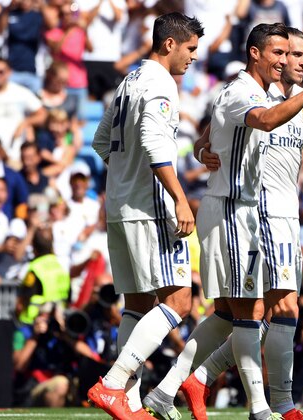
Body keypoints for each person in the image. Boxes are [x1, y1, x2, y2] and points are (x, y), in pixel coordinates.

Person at [145, 25, 303, 420]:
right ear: (261, 55)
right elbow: (230, 127)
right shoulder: (247, 93)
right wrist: (201, 148)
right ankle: (270, 405)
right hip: (245, 211)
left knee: (262, 312)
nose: (293, 62)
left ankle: (185, 383)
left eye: (299, 56)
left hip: (284, 216)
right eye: (287, 54)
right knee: (260, 311)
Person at [86, 12, 204, 420]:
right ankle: (114, 384)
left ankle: (130, 404)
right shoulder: (159, 83)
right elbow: (156, 145)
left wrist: (125, 172)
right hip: (150, 206)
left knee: (137, 304)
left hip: (120, 204)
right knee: (179, 301)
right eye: (190, 49)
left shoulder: (128, 81)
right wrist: (179, 198)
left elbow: (102, 141)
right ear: (169, 44)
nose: (193, 58)